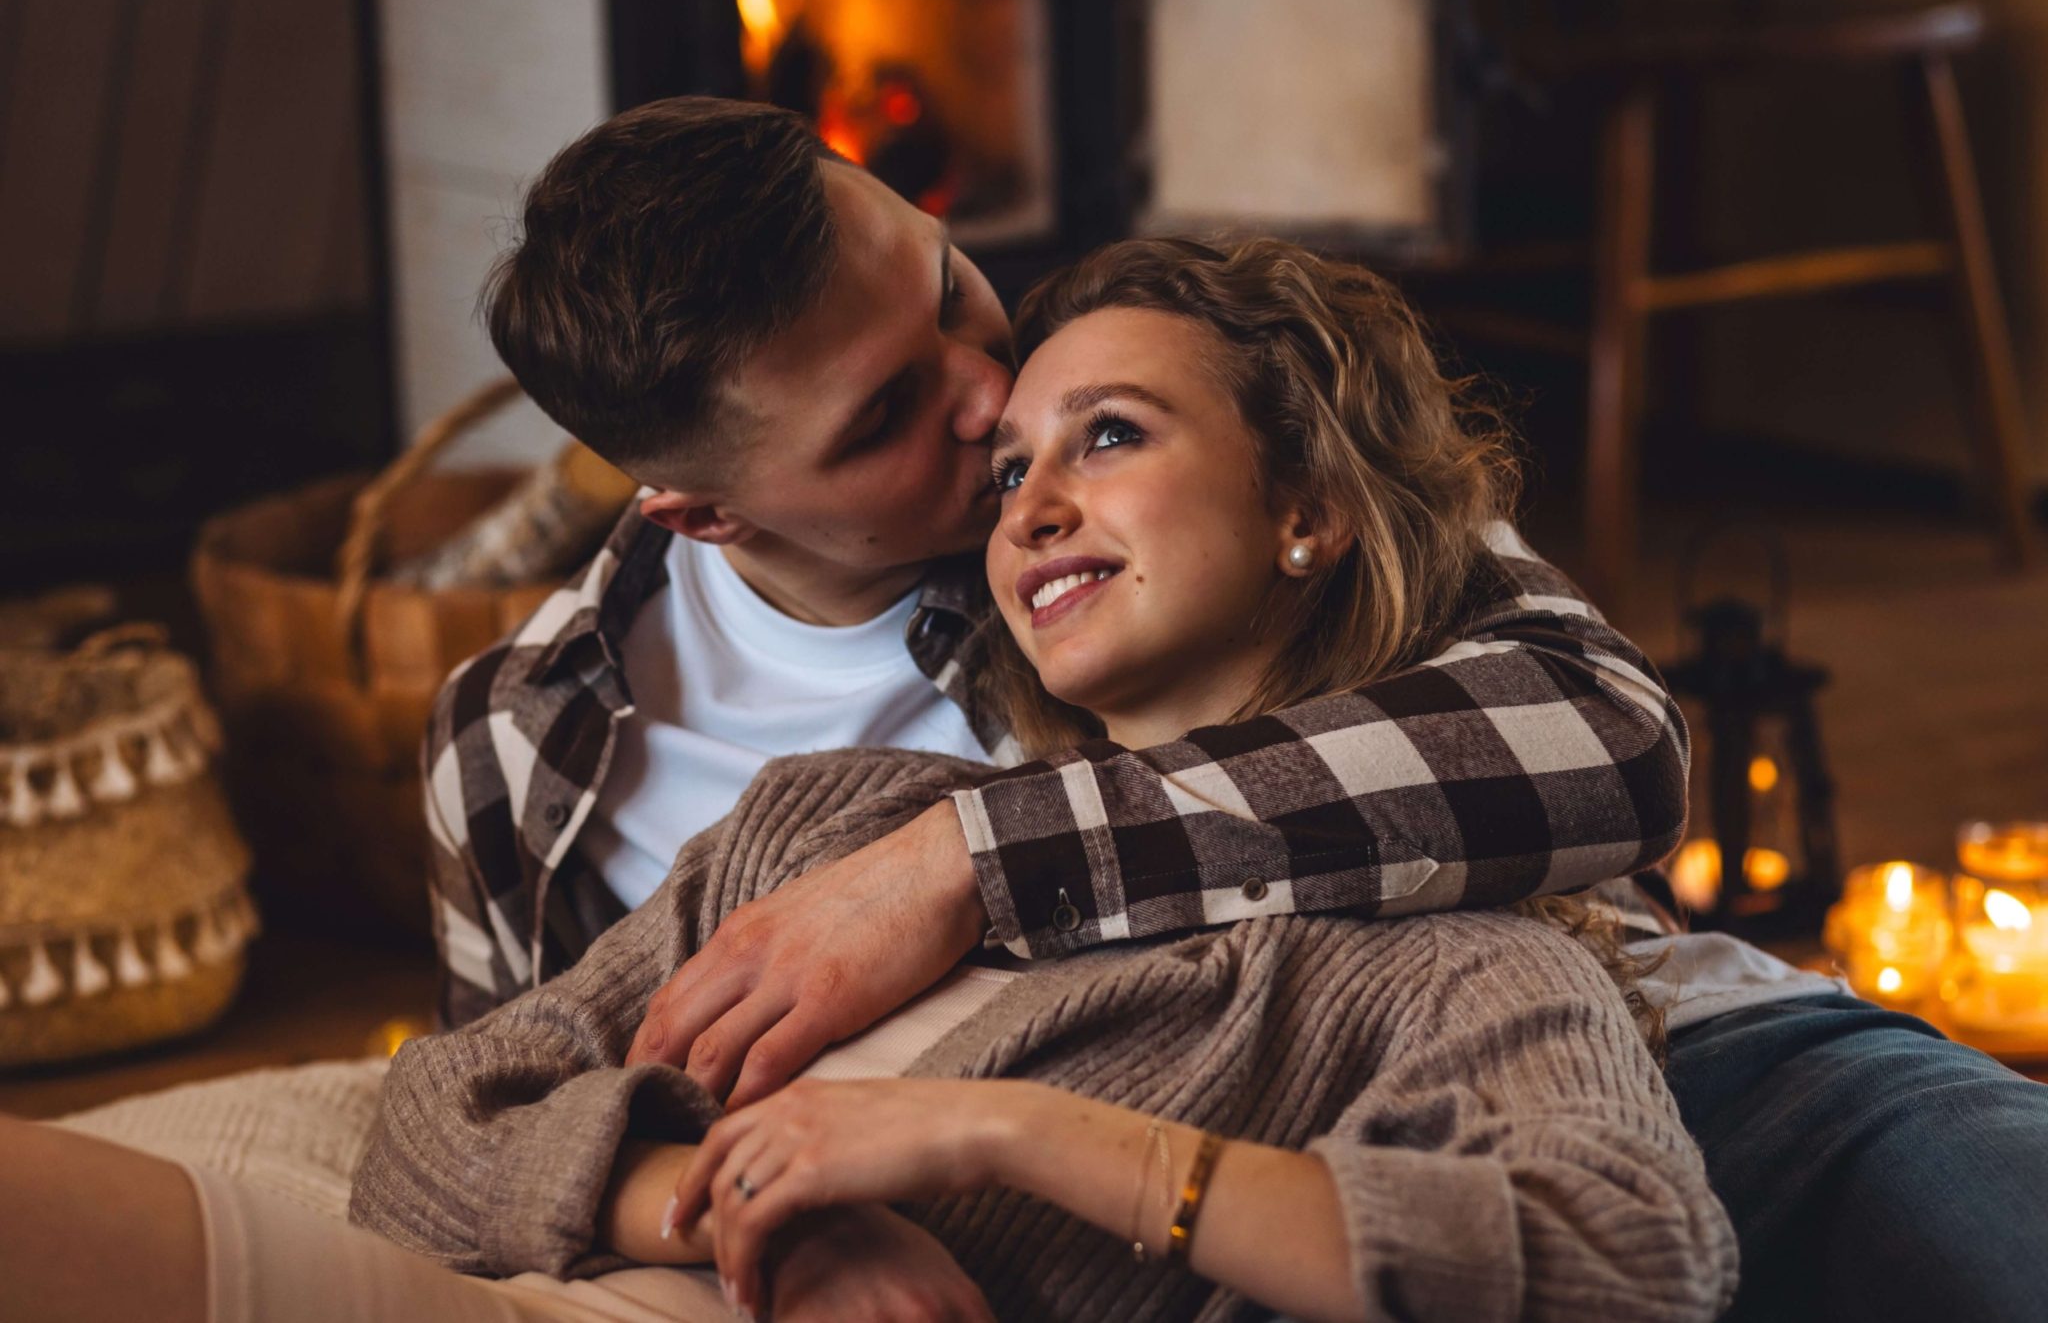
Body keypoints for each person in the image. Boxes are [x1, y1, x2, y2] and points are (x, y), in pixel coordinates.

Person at [435, 96, 2048, 1323]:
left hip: (1648, 1062)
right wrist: (748, 1215)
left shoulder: (1167, 376)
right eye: (890, 418)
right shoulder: (529, 758)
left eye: (944, 283)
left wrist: (956, 866)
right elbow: (500, 1119)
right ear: (702, 511)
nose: (995, 396)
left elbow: (1603, 736)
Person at [347, 233, 1735, 1323]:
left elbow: (1631, 1254)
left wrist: (995, 1126)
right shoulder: (817, 817)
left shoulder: (1437, 963)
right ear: (708, 517)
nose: (1004, 469)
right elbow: (430, 1116)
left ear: (1308, 508)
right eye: (1010, 464)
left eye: (1111, 433)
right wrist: (745, 1209)